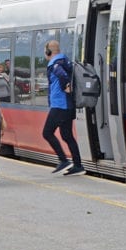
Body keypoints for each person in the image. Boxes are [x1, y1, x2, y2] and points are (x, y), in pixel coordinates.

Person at [42, 40, 85, 176]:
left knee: (47, 133)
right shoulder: (65, 61)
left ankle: (63, 160)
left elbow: (62, 75)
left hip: (59, 105)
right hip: (67, 106)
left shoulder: (55, 64)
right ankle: (78, 166)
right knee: (67, 136)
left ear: (48, 52)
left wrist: (66, 86)